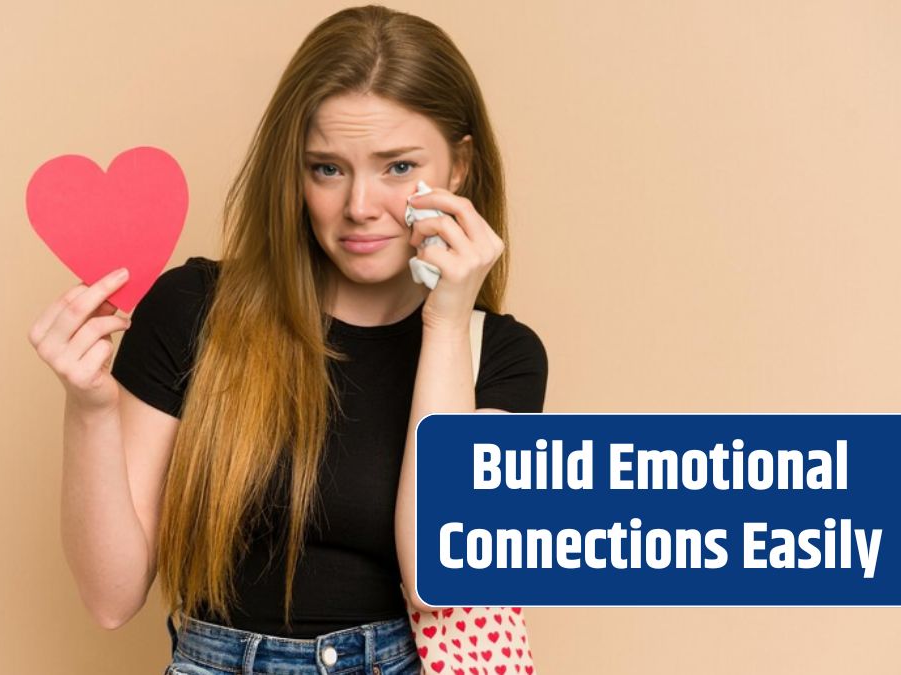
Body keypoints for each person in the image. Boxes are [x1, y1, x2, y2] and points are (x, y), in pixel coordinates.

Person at [28, 5, 548, 673]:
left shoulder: (501, 358)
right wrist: (89, 408)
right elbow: (109, 597)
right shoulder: (194, 310)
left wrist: (446, 320)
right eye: (327, 168)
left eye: (397, 167)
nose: (360, 204)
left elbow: (435, 580)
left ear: (459, 167)